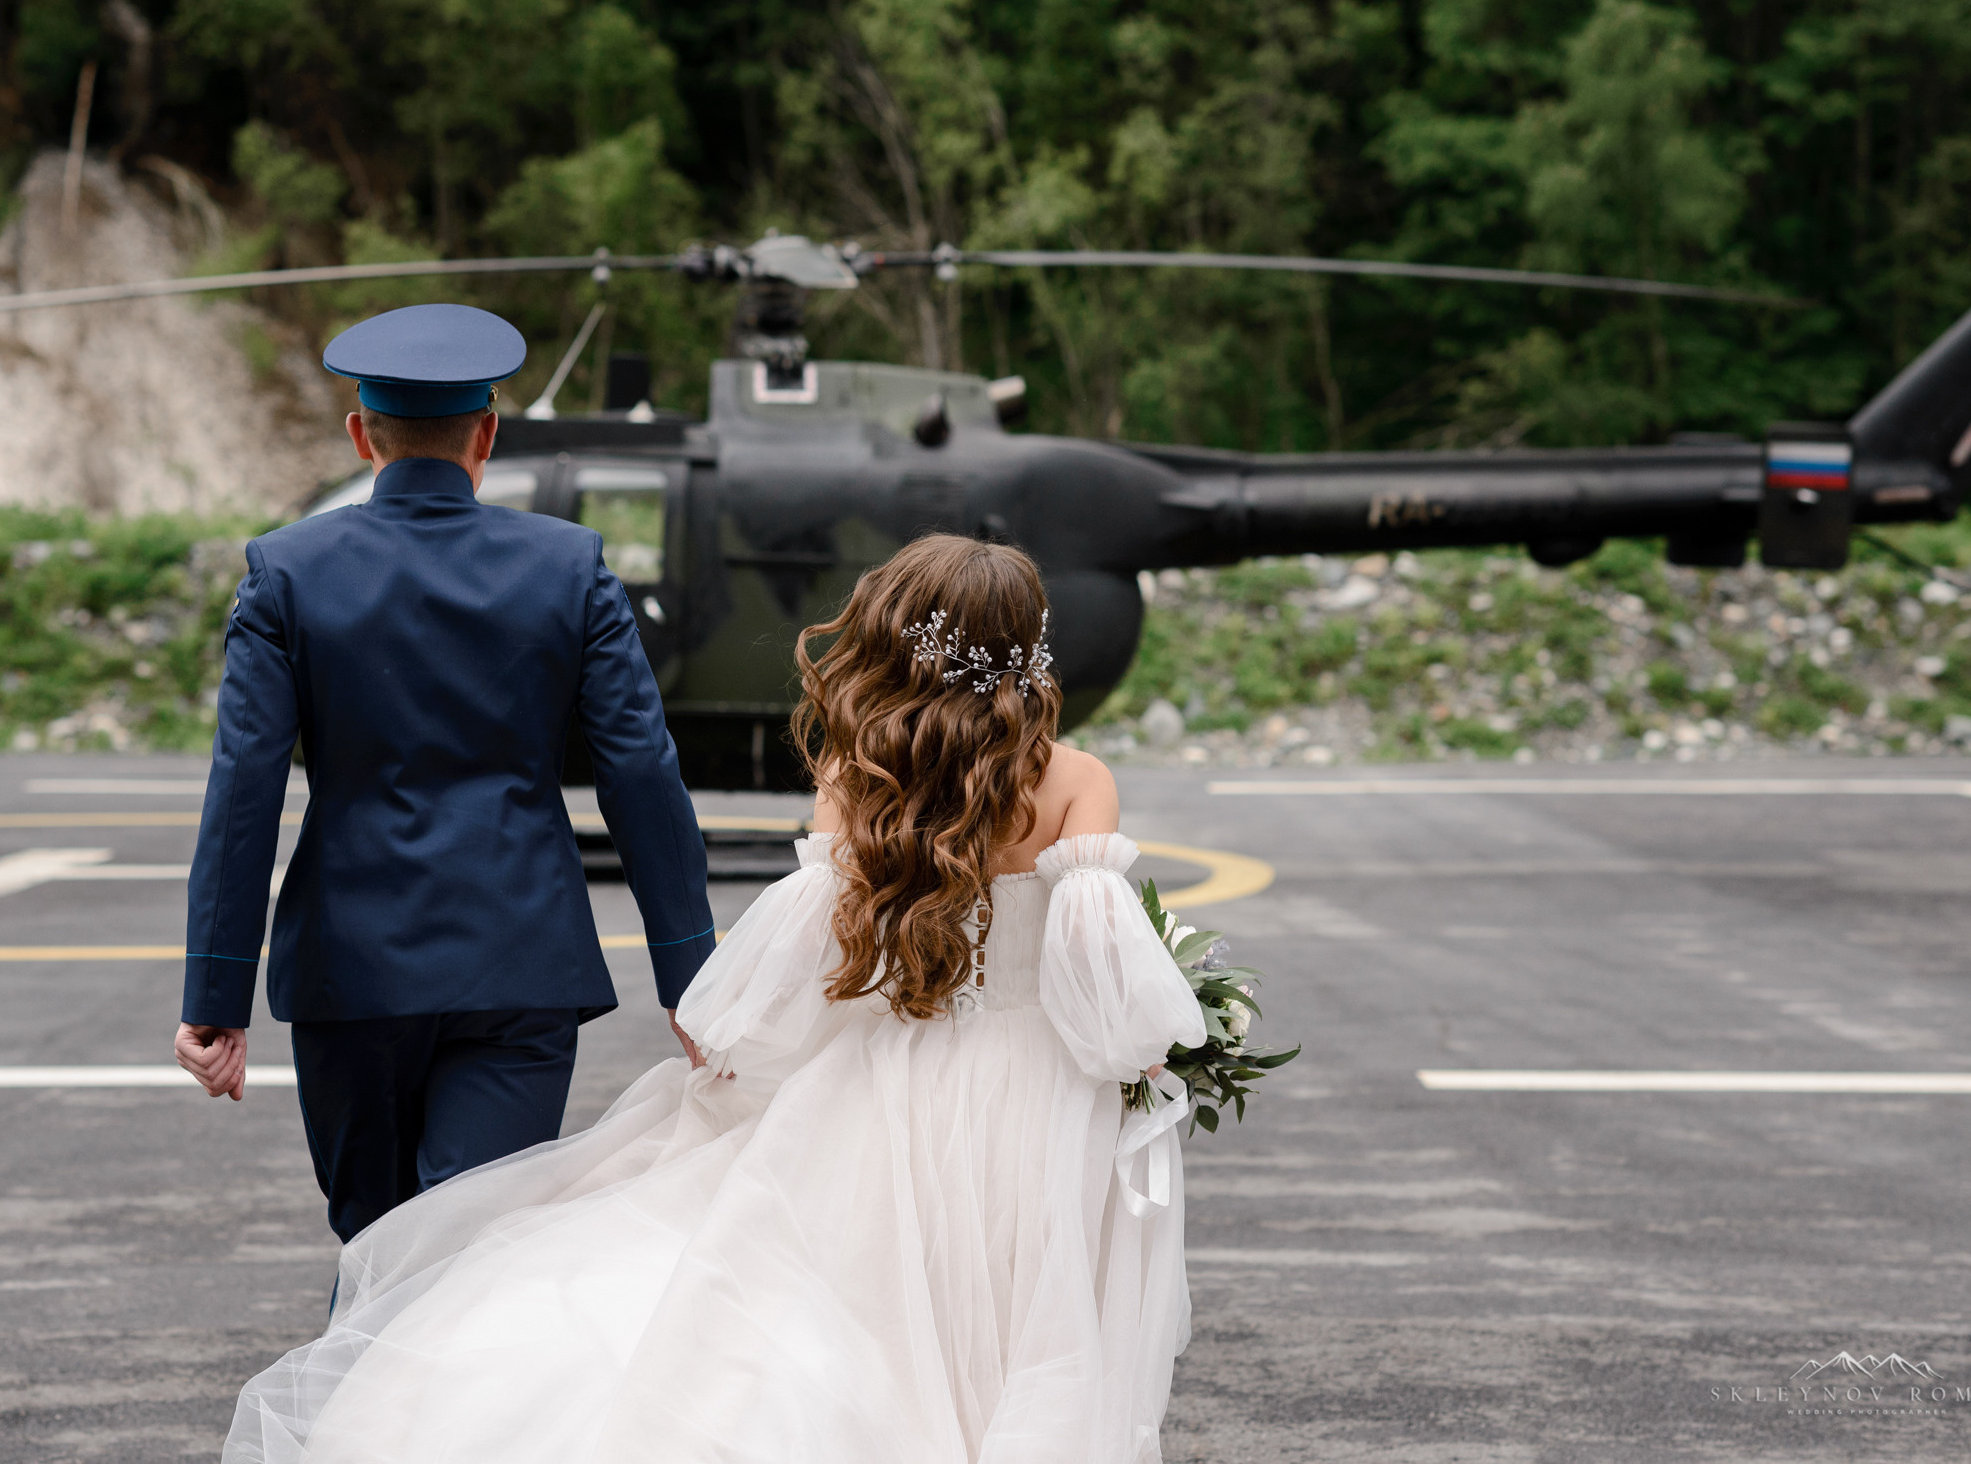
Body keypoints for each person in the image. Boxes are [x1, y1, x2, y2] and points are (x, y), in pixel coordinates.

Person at [223, 533, 1209, 1464]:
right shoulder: (1076, 780)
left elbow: (813, 960)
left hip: (880, 1080)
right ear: (1030, 646)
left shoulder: (856, 772)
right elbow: (1100, 973)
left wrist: (743, 1056)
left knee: (853, 1305)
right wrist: (1151, 1050)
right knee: (1021, 1303)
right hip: (1031, 1093)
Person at [173, 302, 716, 1247]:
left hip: (351, 973)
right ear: (487, 436)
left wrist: (215, 998)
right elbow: (640, 770)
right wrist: (691, 975)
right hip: (520, 966)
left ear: (361, 437)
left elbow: (243, 789)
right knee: (469, 1254)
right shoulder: (571, 567)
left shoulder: (284, 572)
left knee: (378, 1247)